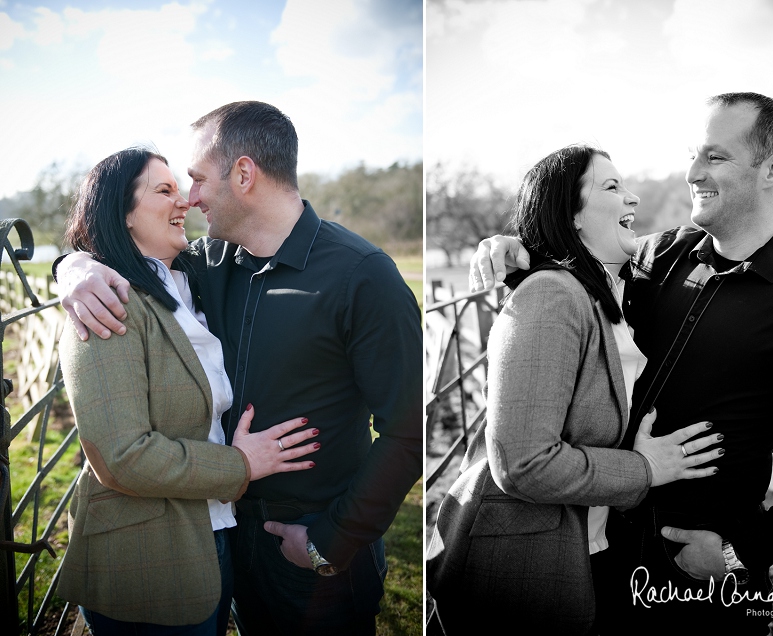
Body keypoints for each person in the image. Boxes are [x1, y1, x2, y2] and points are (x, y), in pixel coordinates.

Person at [469, 93, 773, 635]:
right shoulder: (661, 255)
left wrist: (744, 552)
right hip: (605, 546)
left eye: (714, 157)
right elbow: (579, 253)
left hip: (702, 568)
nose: (692, 172)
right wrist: (518, 246)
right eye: (693, 154)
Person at [56, 102, 423, 635]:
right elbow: (120, 246)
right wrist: (75, 268)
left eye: (199, 179)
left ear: (244, 174)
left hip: (313, 545)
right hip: (223, 539)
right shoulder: (208, 264)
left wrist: (330, 541)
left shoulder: (362, 277)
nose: (192, 196)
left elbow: (408, 430)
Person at [427, 144, 724, 634]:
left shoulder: (610, 285)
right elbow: (522, 463)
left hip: (589, 546)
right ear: (572, 216)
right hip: (525, 563)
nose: (631, 197)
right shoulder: (552, 294)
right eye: (611, 186)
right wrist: (645, 468)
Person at [57, 147, 320, 636]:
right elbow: (121, 456)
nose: (185, 201)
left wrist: (69, 263)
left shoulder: (188, 285)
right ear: (122, 214)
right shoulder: (105, 303)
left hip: (212, 538)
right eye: (164, 190)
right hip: (147, 561)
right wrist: (242, 465)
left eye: (181, 188)